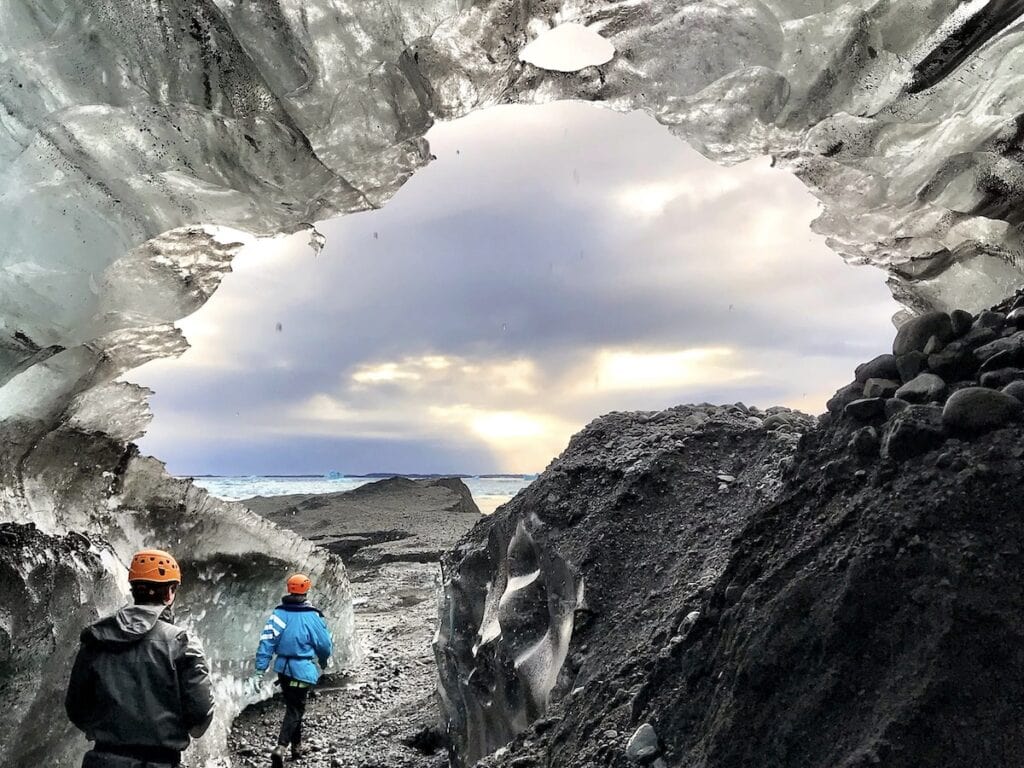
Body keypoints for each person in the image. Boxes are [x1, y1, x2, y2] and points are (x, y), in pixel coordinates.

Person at [65, 548, 215, 768]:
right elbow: (200, 718)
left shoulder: (96, 638)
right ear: (170, 593)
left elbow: (76, 708)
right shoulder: (182, 644)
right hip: (159, 762)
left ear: (134, 589)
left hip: (102, 761)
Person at [250, 573, 333, 767]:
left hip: (284, 671)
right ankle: (281, 747)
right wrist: (323, 661)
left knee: (294, 707)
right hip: (302, 671)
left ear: (289, 589)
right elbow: (324, 645)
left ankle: (297, 748)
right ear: (306, 590)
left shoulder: (278, 615)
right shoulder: (313, 616)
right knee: (296, 708)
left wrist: (259, 671)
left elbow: (267, 643)